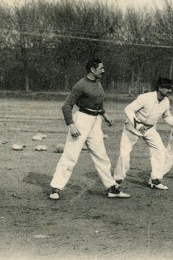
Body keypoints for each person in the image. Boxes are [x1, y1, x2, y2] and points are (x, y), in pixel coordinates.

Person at [49, 58, 129, 200]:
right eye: (101, 68)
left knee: (101, 155)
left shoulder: (98, 82)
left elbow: (97, 101)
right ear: (92, 70)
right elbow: (66, 106)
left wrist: (104, 114)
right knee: (70, 155)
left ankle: (111, 188)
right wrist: (71, 125)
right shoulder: (80, 85)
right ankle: (55, 188)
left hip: (95, 122)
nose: (103, 70)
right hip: (81, 121)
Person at [113, 77, 173, 190]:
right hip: (132, 128)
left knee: (159, 151)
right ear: (160, 88)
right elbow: (128, 109)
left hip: (150, 129)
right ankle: (117, 180)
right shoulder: (145, 97)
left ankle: (155, 180)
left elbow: (167, 116)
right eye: (167, 88)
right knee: (124, 154)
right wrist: (137, 124)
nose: (170, 90)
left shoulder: (166, 101)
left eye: (171, 88)